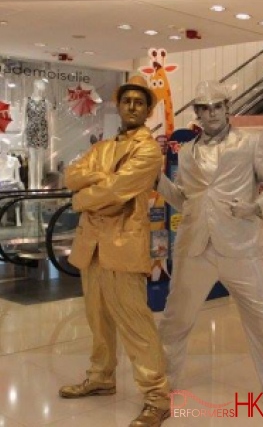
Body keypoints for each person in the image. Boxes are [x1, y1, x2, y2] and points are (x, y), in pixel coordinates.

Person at [156, 80, 263, 417]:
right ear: (196, 113)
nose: (211, 114)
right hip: (195, 246)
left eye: (217, 106)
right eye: (203, 108)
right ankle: (163, 381)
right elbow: (184, 199)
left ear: (227, 108)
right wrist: (158, 181)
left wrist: (257, 206)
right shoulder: (188, 152)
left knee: (262, 318)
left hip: (240, 244)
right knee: (176, 318)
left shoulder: (249, 143)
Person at [59, 75, 171, 427]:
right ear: (119, 106)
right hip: (91, 244)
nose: (132, 107)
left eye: (140, 102)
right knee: (98, 318)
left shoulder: (149, 150)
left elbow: (114, 193)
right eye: (127, 102)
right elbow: (71, 175)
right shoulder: (104, 147)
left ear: (149, 110)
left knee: (136, 323)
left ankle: (156, 396)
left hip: (124, 243)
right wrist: (98, 179)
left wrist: (82, 198)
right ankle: (101, 377)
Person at [25, 79, 49, 189]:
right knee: (33, 159)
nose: (41, 91)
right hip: (31, 131)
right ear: (35, 86)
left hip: (42, 131)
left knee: (40, 160)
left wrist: (51, 135)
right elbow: (23, 119)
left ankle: (39, 184)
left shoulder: (46, 102)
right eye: (40, 88)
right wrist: (21, 133)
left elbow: (48, 119)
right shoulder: (27, 100)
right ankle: (32, 185)